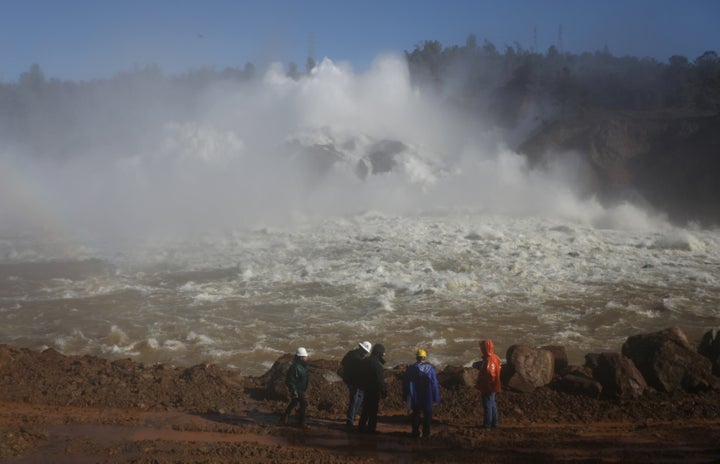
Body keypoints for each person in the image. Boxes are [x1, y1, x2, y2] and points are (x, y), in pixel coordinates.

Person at [402, 348, 441, 439]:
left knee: (416, 414)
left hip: (415, 395)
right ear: (424, 358)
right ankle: (426, 433)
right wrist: (436, 397)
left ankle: (415, 432)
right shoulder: (430, 369)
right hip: (427, 396)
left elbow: (405, 383)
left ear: (416, 357)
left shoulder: (410, 369)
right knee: (427, 414)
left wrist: (405, 396)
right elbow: (434, 384)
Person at [340, 341, 372, 428]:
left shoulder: (352, 354)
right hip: (355, 382)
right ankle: (350, 420)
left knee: (358, 399)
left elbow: (342, 363)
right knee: (355, 400)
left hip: (355, 382)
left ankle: (352, 417)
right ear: (362, 349)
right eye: (365, 351)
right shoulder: (357, 358)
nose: (366, 353)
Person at [358, 343, 386, 434]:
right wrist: (384, 391)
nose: (383, 355)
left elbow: (360, 374)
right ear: (379, 353)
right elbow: (380, 380)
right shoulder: (377, 365)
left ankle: (361, 427)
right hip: (374, 391)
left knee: (365, 410)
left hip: (365, 389)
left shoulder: (365, 360)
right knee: (373, 412)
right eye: (382, 353)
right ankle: (371, 429)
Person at [475, 339, 502, 429]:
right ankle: (495, 423)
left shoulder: (488, 361)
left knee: (487, 405)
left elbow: (489, 374)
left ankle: (487, 424)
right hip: (493, 386)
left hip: (488, 387)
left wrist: (483, 386)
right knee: (493, 404)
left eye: (482, 347)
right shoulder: (496, 357)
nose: (481, 349)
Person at [281, 347, 309, 428]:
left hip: (299, 389)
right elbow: (290, 381)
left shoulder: (301, 366)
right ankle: (302, 422)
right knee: (304, 403)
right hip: (297, 389)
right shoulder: (295, 367)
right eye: (305, 356)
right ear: (301, 357)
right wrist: (294, 391)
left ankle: (285, 416)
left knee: (294, 402)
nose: (307, 358)